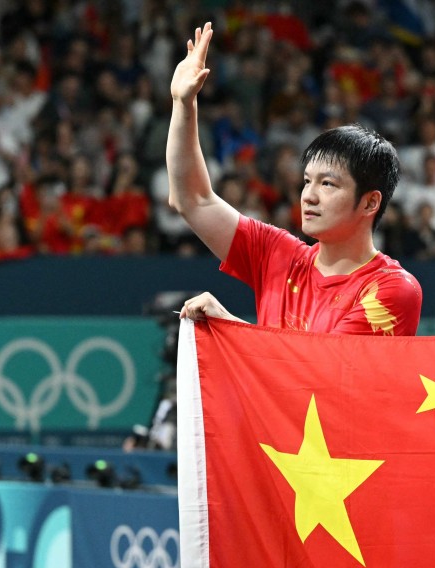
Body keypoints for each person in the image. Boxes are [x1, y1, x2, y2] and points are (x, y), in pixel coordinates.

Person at [169, 23, 421, 335]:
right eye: (307, 181)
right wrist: (183, 105)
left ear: (370, 202)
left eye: (327, 184)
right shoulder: (278, 255)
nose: (309, 196)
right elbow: (193, 200)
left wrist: (229, 327)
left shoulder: (392, 289)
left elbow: (317, 370)